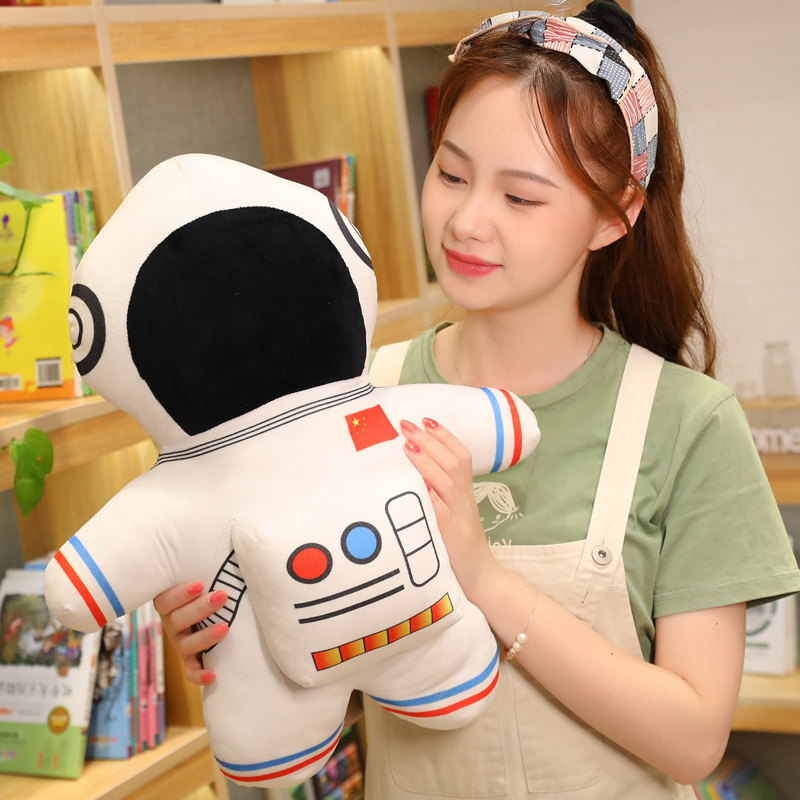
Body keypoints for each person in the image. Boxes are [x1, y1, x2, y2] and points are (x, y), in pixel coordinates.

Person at [154, 2, 800, 797]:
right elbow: (337, 688)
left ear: (613, 216)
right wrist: (239, 638)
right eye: (451, 174)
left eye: (520, 198)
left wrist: (483, 578)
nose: (465, 221)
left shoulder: (687, 423)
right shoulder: (350, 402)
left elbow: (693, 740)